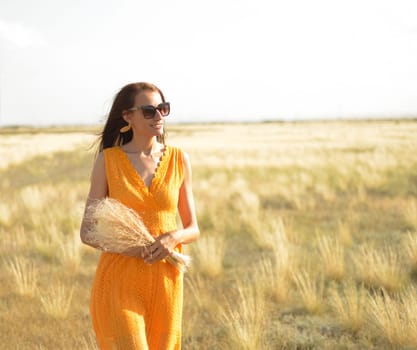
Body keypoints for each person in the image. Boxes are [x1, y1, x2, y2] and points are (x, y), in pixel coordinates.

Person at [79, 82, 200, 350]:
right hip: (119, 281)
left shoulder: (180, 160)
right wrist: (132, 247)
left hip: (166, 280)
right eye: (149, 111)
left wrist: (173, 237)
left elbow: (193, 228)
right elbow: (87, 232)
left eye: (162, 109)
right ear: (127, 117)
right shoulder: (108, 161)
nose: (158, 117)